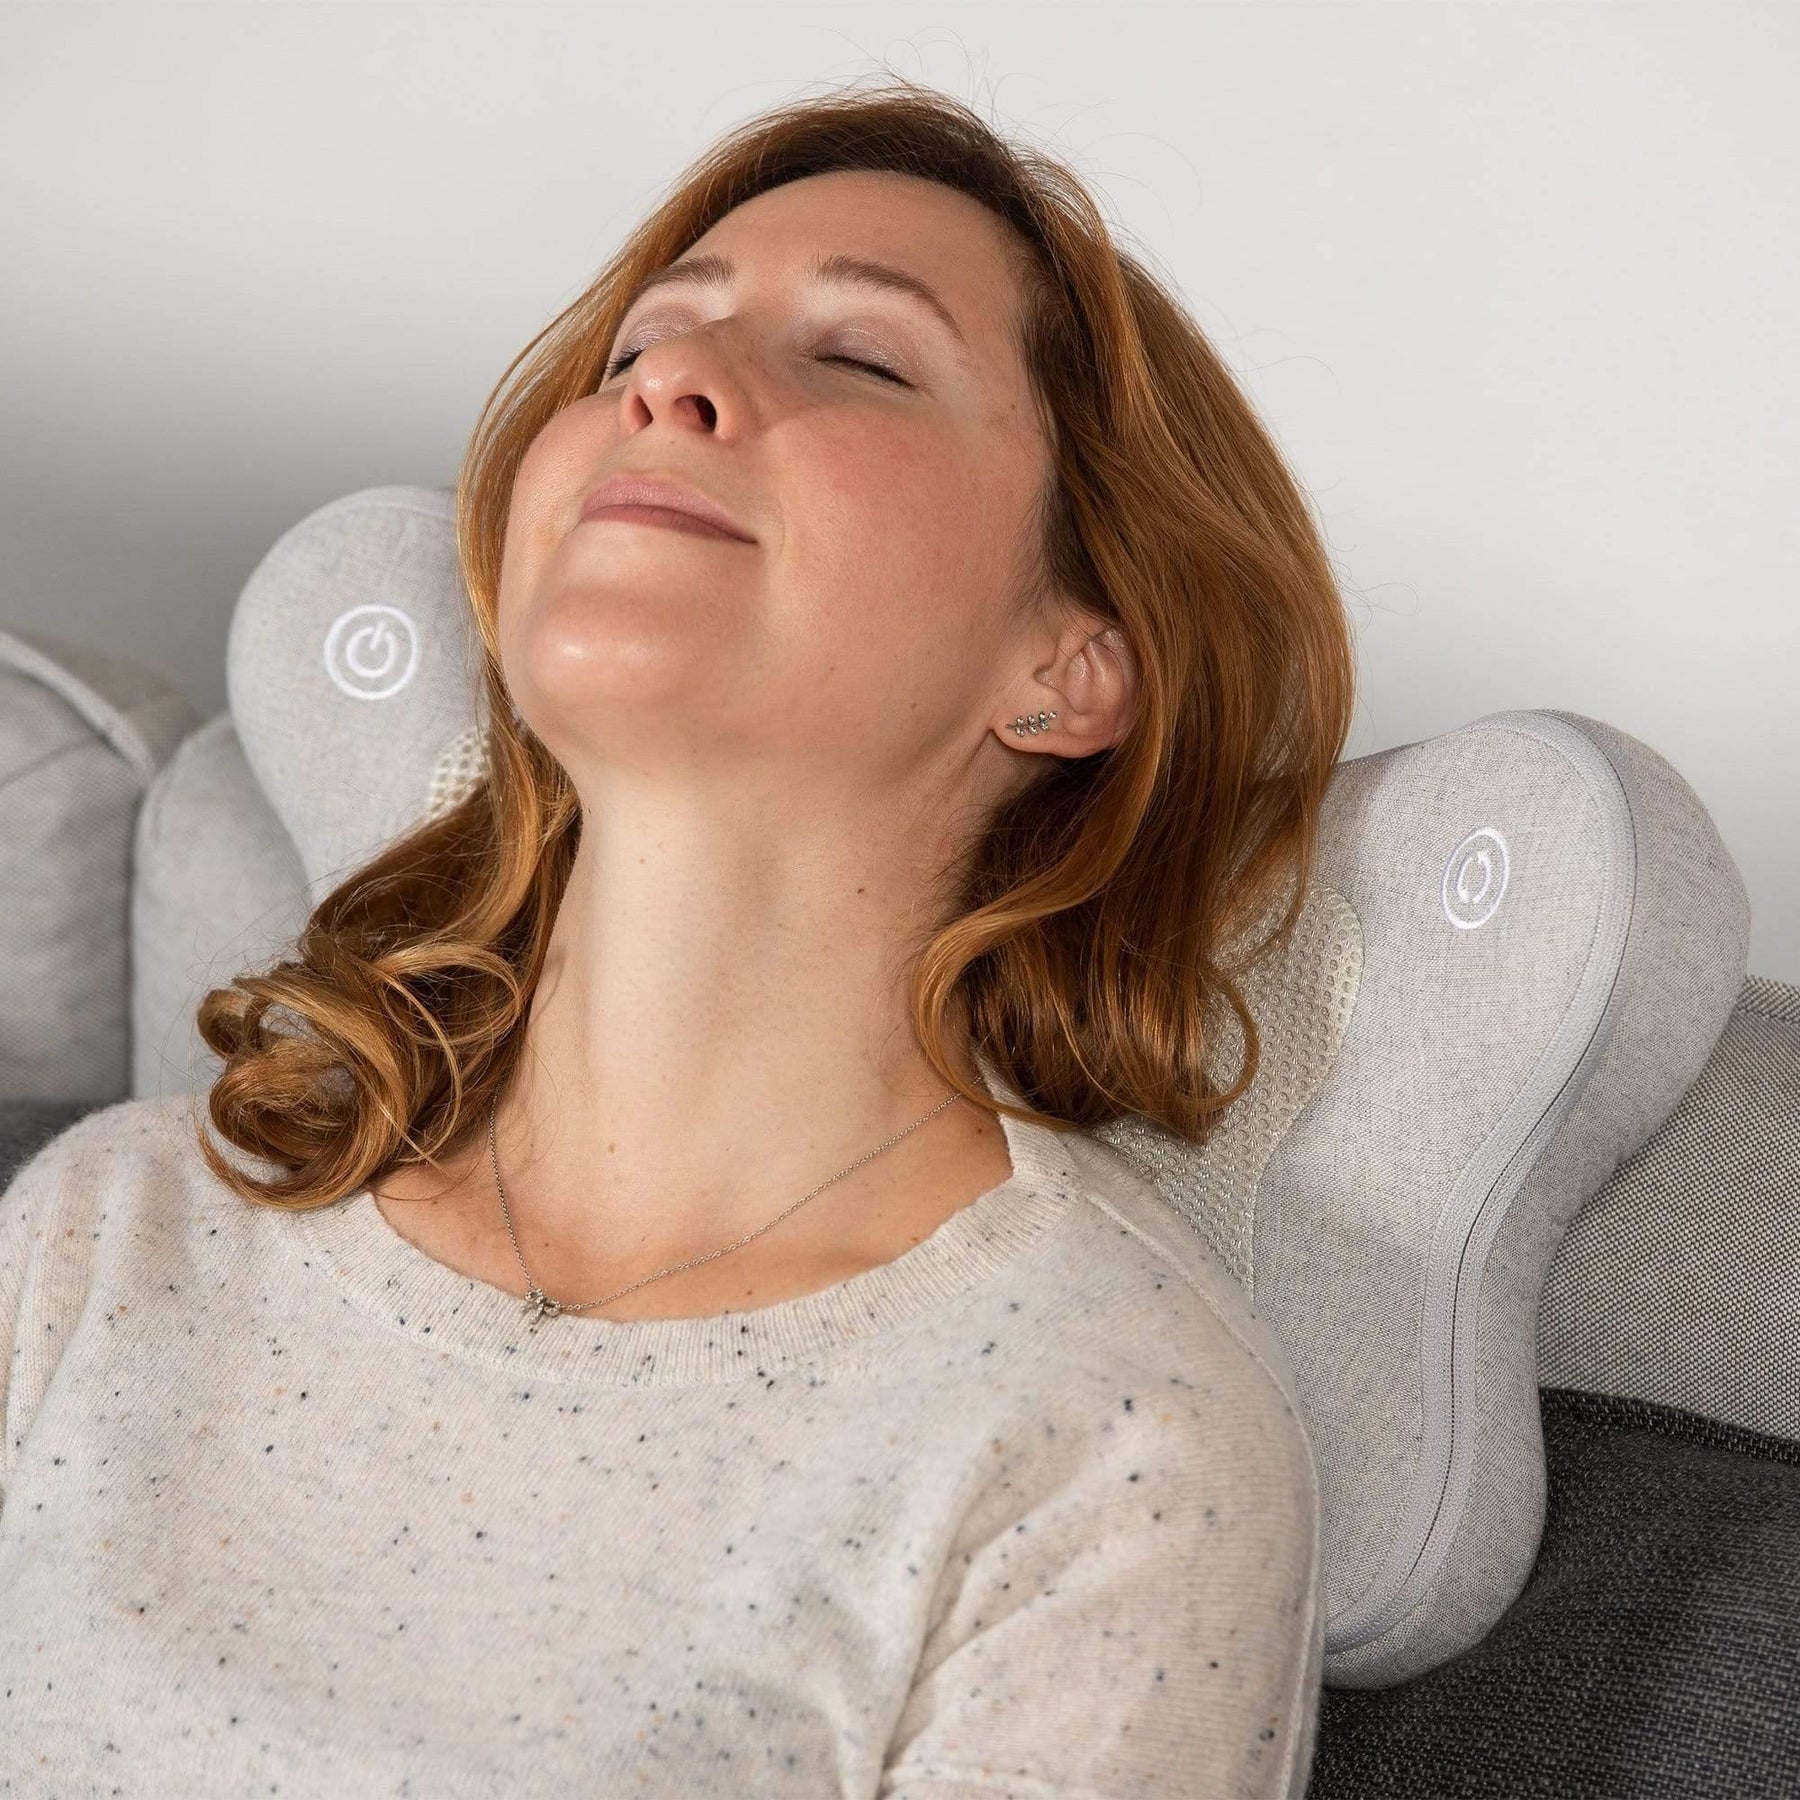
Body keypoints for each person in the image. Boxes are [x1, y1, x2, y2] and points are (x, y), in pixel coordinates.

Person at [0, 78, 1353, 1797]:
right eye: (644, 339)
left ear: (1072, 664)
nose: (668, 380)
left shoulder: (1114, 1442)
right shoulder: (116, 1233)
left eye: (861, 358)